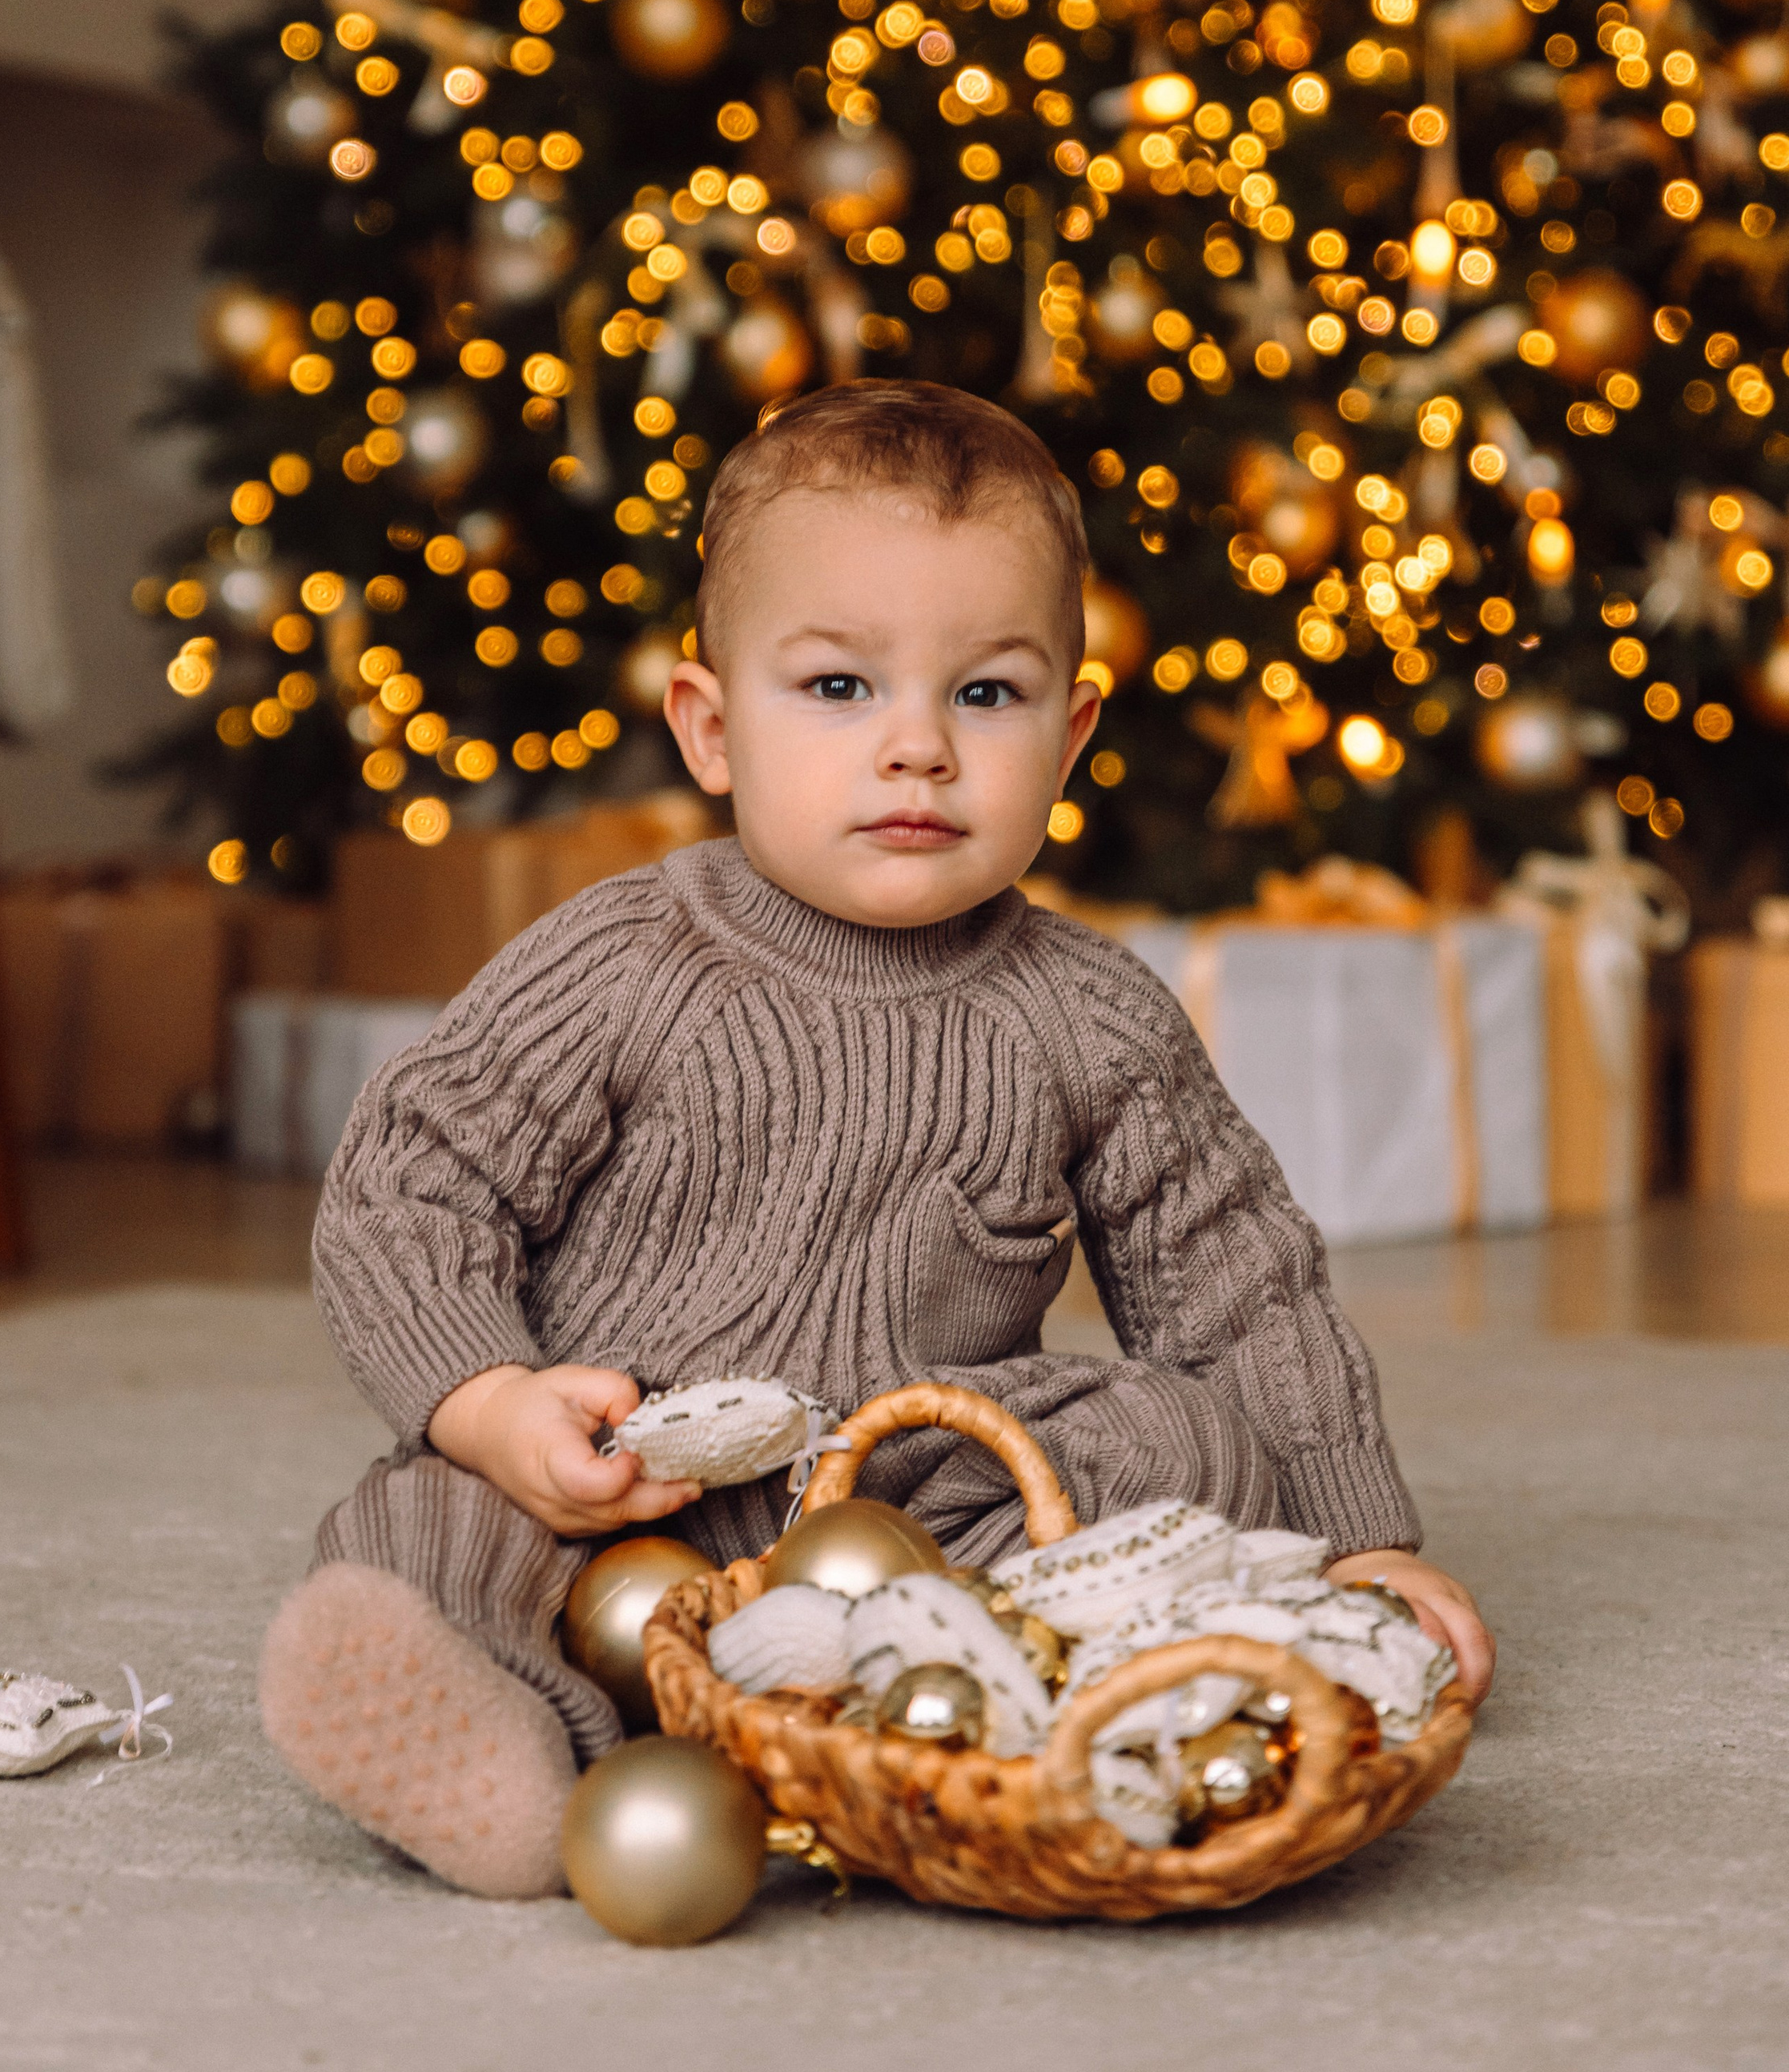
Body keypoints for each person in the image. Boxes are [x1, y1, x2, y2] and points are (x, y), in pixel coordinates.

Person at [260, 379, 1495, 1896]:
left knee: (1186, 1441)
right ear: (713, 730)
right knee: (423, 1529)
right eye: (841, 688)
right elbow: (413, 1181)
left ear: (1069, 730)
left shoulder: (1087, 1012)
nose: (918, 749)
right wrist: (489, 1400)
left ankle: (948, 1687)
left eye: (985, 694)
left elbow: (1237, 1278)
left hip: (930, 1493)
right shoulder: (627, 960)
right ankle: (497, 1733)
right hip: (614, 1472)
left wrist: (1364, 1541)